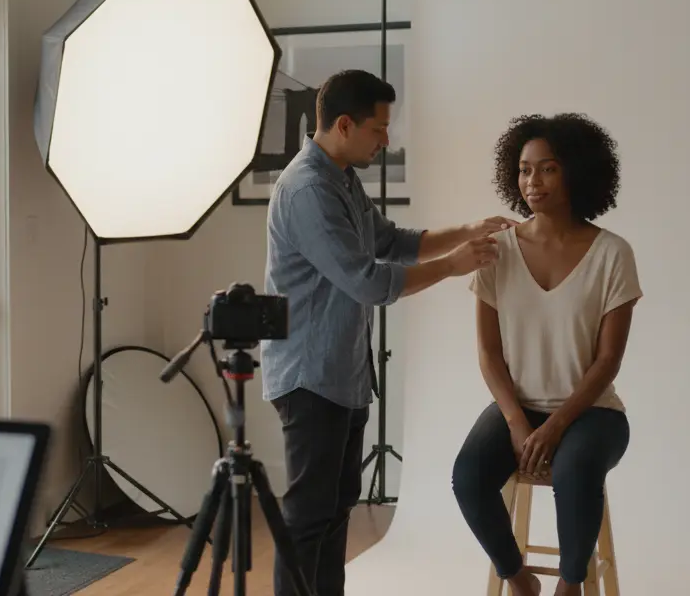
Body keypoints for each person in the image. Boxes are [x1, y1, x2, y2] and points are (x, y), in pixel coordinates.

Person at [262, 68, 515, 596]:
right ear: (346, 124)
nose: (386, 139)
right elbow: (369, 281)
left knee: (334, 516)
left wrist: (467, 232)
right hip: (311, 378)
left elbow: (391, 241)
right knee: (309, 519)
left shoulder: (342, 177)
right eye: (379, 129)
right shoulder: (308, 189)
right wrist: (454, 265)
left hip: (345, 375)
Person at [451, 113, 641, 596]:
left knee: (575, 471)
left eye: (547, 168)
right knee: (468, 476)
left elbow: (608, 361)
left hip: (592, 414)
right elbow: (489, 354)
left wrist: (554, 427)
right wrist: (518, 423)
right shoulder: (498, 249)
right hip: (519, 406)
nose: (532, 182)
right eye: (524, 169)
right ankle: (519, 578)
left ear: (575, 171)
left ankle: (570, 584)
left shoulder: (612, 254)